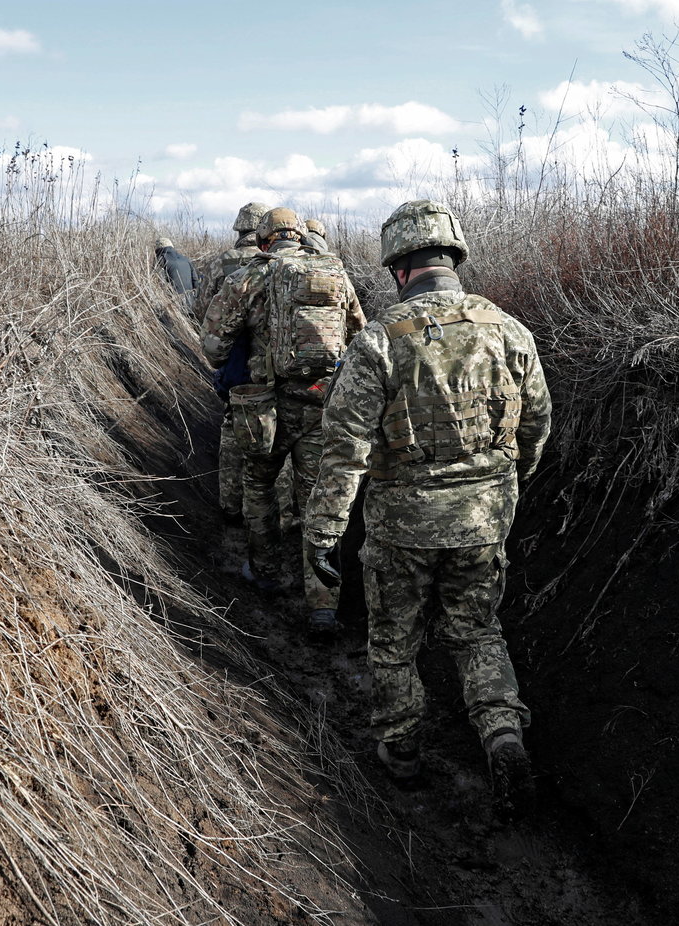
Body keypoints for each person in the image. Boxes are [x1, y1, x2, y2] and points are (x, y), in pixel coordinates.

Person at [302, 199, 551, 817]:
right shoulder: (511, 331)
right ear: (452, 258)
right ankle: (502, 734)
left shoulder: (381, 341)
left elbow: (345, 448)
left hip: (402, 529)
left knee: (394, 639)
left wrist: (326, 530)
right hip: (483, 518)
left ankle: (402, 751)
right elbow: (537, 426)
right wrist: (504, 491)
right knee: (477, 631)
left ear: (398, 267)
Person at [201, 207, 365, 635]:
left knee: (259, 486)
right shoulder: (335, 272)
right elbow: (358, 333)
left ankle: (265, 572)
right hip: (321, 403)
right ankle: (323, 603)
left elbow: (213, 347)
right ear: (298, 235)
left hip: (265, 408)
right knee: (318, 498)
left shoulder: (251, 276)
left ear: (265, 239)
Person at [196, 203, 270, 524]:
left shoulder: (223, 263)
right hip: (270, 365)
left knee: (231, 425)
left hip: (233, 361)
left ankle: (230, 508)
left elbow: (202, 310)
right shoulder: (276, 264)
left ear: (239, 230)